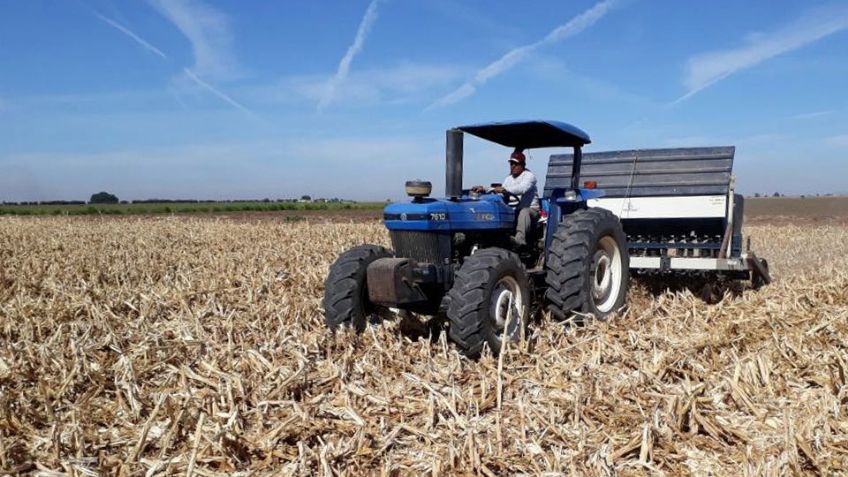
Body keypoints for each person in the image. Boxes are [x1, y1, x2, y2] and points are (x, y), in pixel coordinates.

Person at [472, 149, 540, 248]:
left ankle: (520, 240)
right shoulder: (509, 179)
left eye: (515, 164)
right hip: (514, 210)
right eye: (511, 163)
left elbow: (521, 189)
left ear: (522, 165)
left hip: (531, 210)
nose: (513, 166)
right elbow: (500, 191)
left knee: (524, 212)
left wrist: (504, 190)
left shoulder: (529, 176)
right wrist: (485, 189)